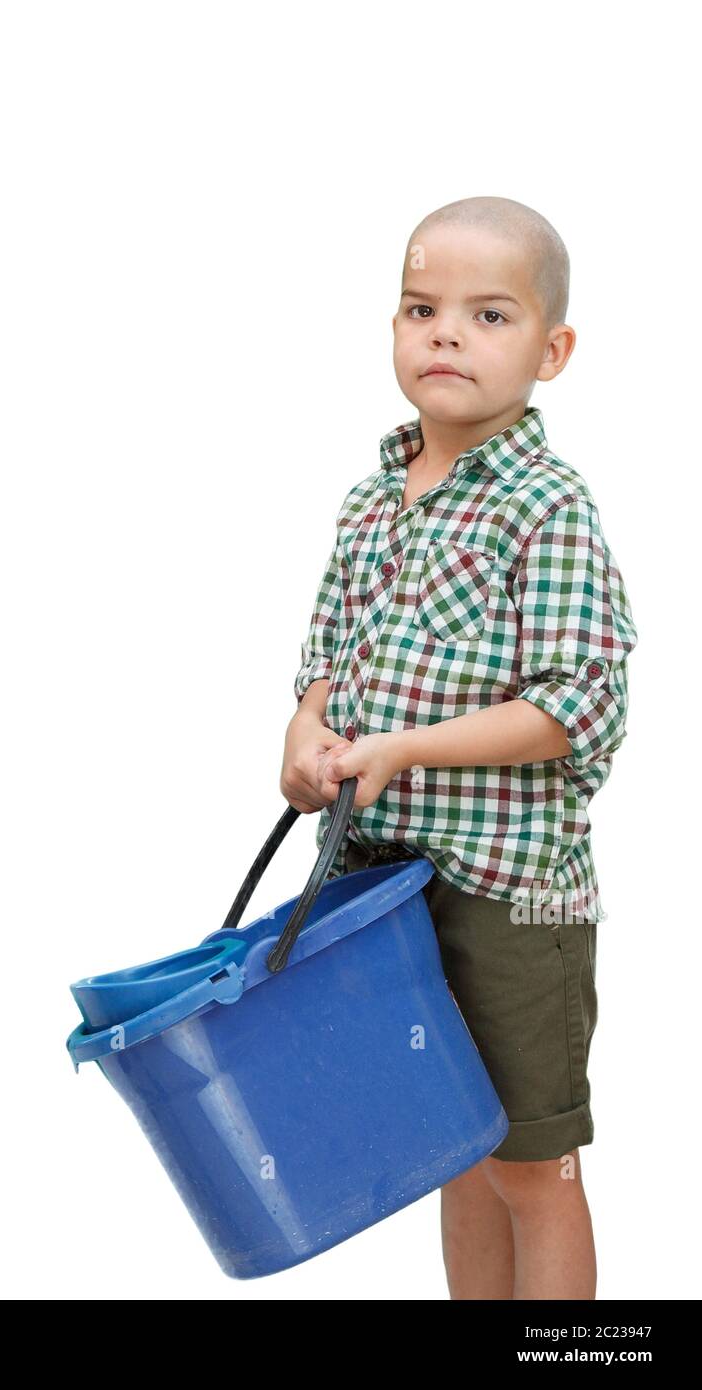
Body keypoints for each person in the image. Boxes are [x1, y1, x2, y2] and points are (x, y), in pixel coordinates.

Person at [279, 196, 638, 1300]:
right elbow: (324, 669)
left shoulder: (546, 508)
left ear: (551, 348)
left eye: (488, 314)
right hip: (382, 889)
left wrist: (407, 749)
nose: (445, 335)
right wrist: (304, 740)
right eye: (420, 308)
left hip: (508, 898)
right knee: (451, 1146)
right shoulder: (367, 505)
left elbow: (578, 704)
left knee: (531, 1163)